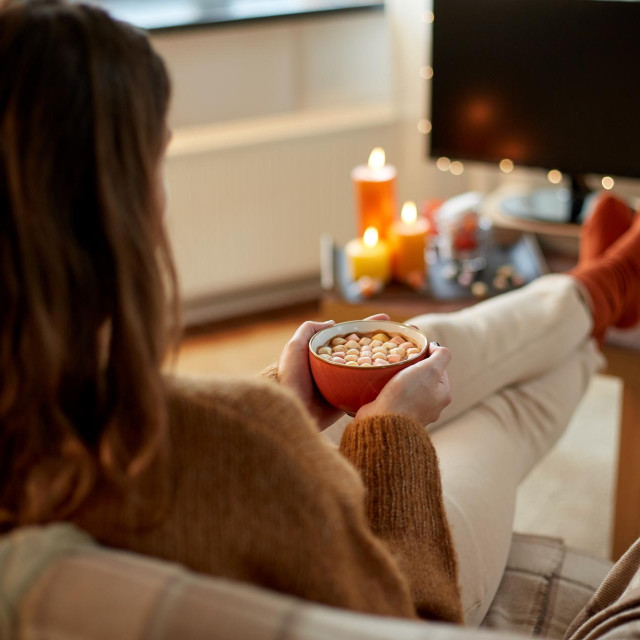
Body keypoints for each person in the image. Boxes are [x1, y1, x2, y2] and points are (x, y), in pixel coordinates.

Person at [1, 1, 639, 636]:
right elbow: (403, 616)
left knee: (429, 344)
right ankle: (605, 291)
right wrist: (389, 433)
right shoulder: (219, 441)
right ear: (113, 204)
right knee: (507, 406)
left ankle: (597, 293)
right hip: (418, 577)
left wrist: (287, 411)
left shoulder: (81, 427)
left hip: (255, 458)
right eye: (156, 160)